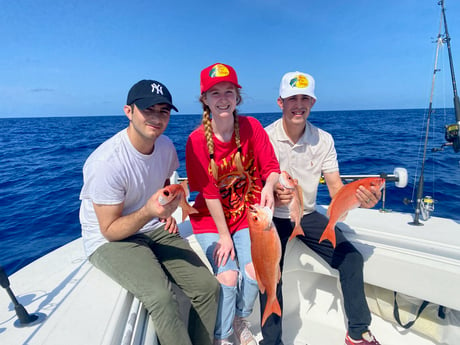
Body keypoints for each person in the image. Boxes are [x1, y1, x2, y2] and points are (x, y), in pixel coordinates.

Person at [79, 79, 220, 345]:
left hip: (153, 225)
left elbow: (167, 182)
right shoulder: (106, 163)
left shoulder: (165, 146)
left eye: (163, 111)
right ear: (128, 111)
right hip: (110, 239)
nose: (156, 118)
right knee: (161, 297)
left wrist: (166, 212)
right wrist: (148, 211)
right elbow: (109, 230)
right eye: (148, 110)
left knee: (208, 287)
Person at [261, 71, 382, 345]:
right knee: (269, 274)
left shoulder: (324, 140)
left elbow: (337, 188)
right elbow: (257, 186)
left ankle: (358, 332)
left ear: (313, 103)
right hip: (272, 218)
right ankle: (271, 341)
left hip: (308, 214)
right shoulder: (264, 136)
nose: (298, 104)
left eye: (305, 98)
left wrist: (359, 199)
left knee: (351, 258)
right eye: (292, 98)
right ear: (280, 102)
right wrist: (271, 195)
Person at [185, 63, 280, 345]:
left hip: (247, 216)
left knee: (253, 273)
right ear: (204, 99)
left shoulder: (252, 127)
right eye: (215, 93)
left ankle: (240, 319)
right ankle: (222, 336)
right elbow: (209, 192)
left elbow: (271, 166)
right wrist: (224, 236)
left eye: (229, 91)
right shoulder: (196, 141)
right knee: (228, 277)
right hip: (209, 220)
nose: (223, 98)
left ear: (238, 97)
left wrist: (271, 187)